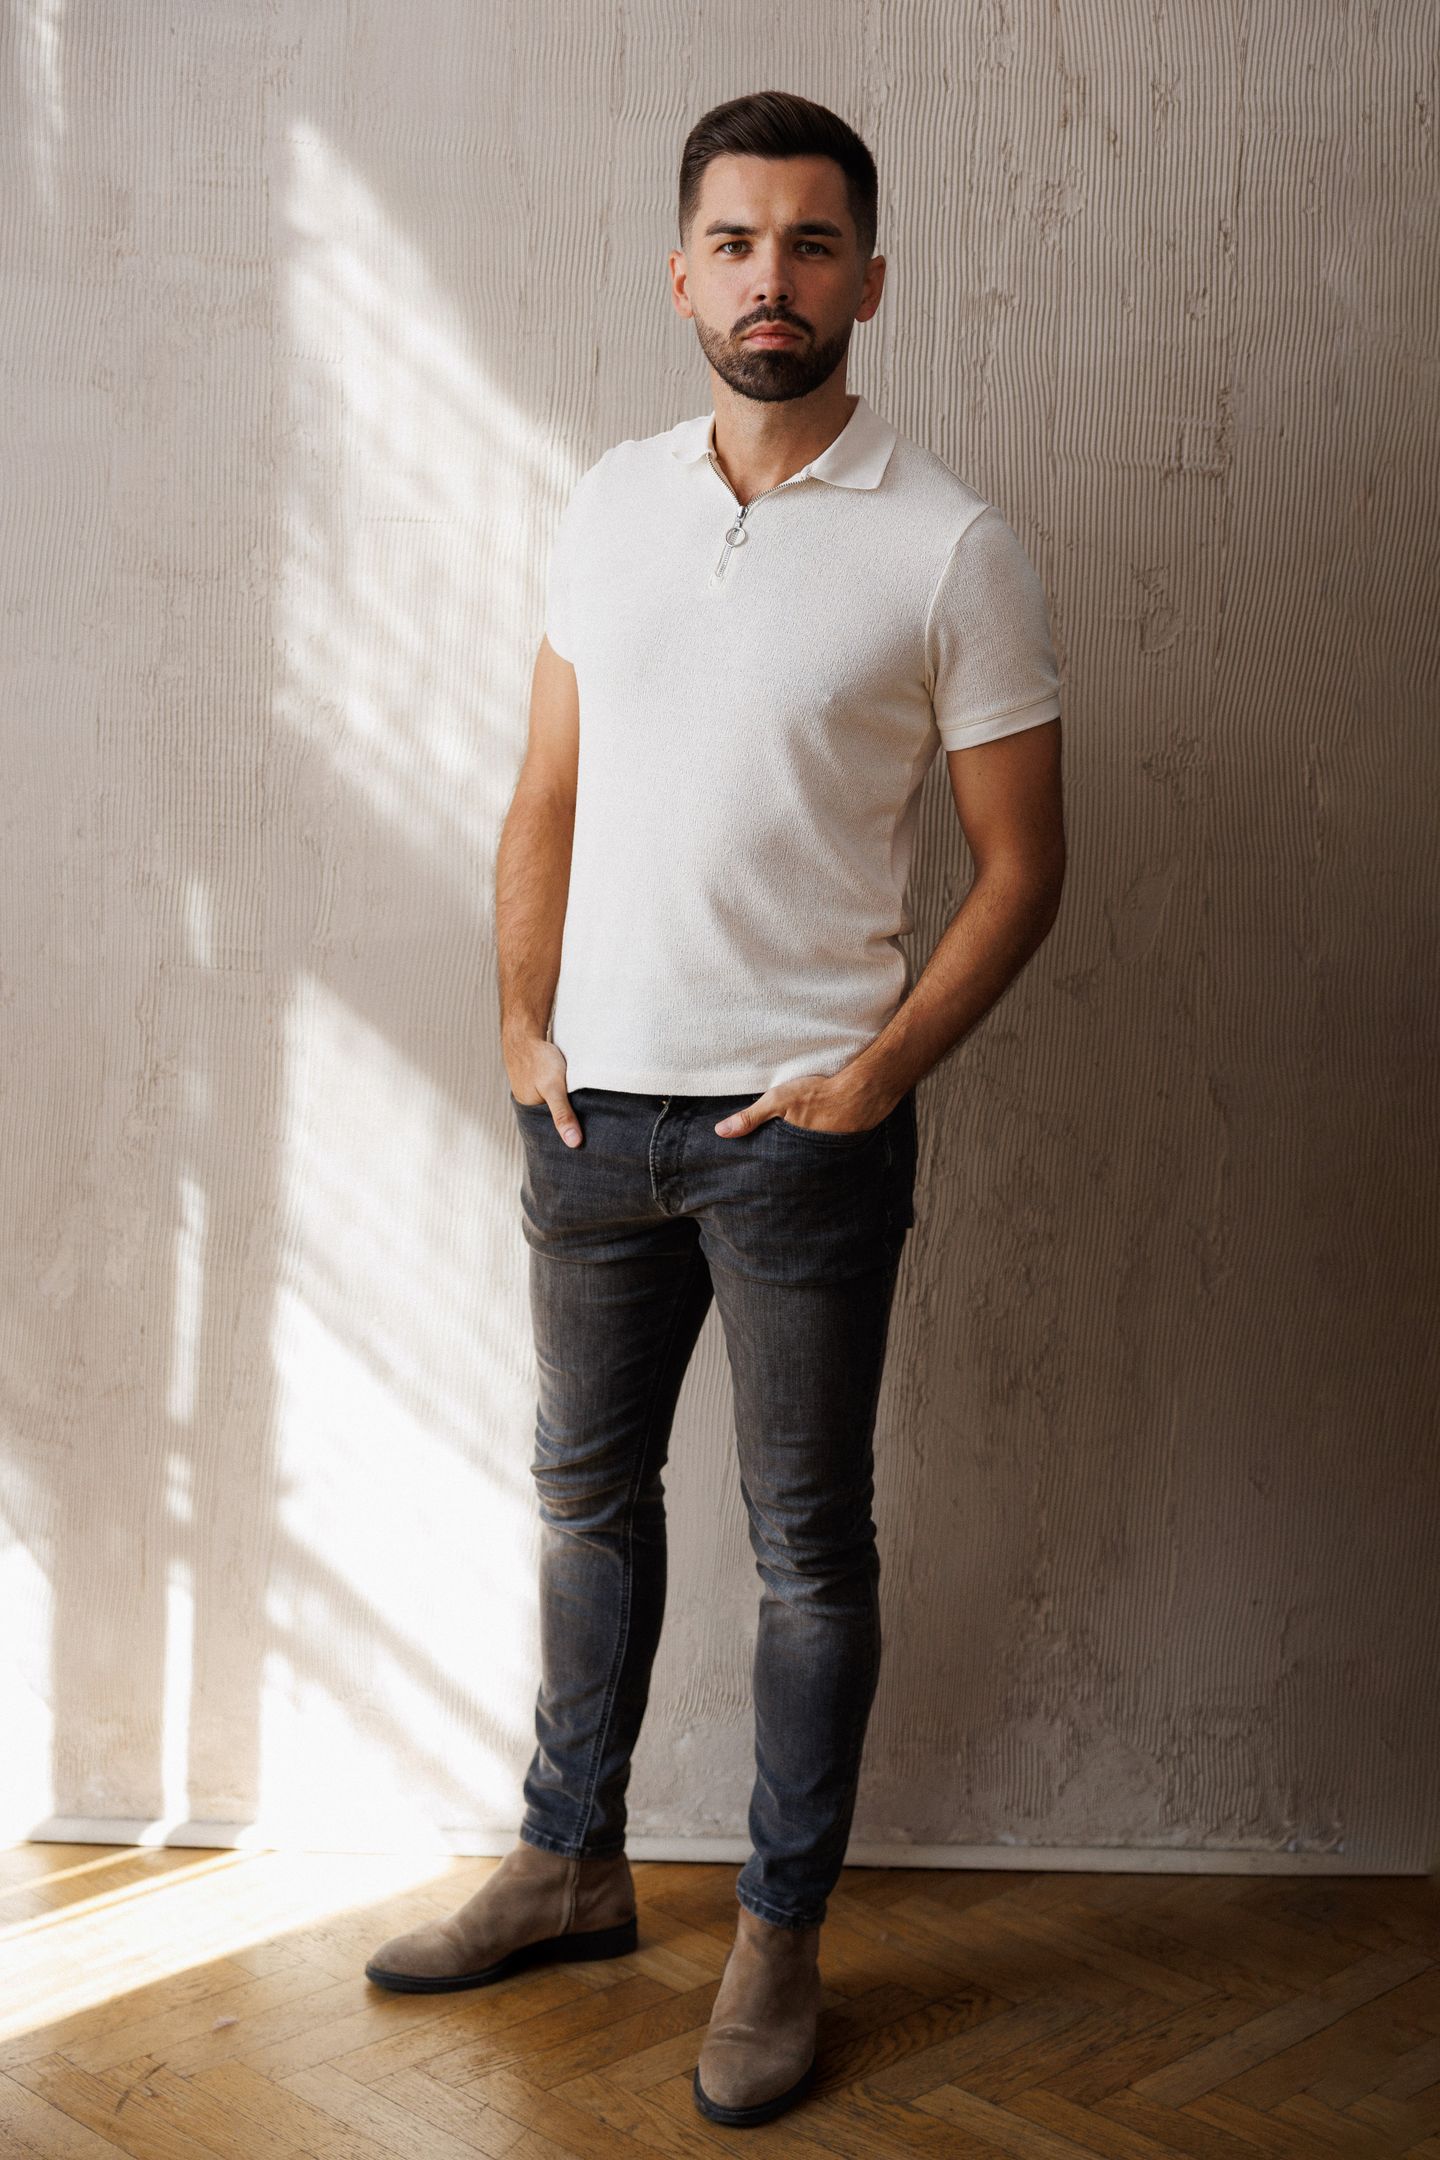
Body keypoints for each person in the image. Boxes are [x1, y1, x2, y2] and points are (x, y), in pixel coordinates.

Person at [366, 88, 1066, 2130]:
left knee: (806, 1552)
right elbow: (547, 794)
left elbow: (1025, 870)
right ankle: (570, 1860)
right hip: (588, 1124)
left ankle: (777, 1934)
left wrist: (876, 1074)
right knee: (583, 1502)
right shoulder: (607, 501)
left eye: (813, 244)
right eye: (739, 244)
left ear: (870, 281)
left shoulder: (953, 546)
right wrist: (522, 1028)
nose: (776, 279)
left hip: (799, 1142)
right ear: (683, 276)